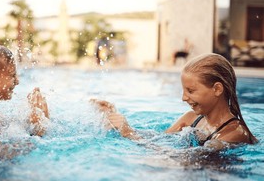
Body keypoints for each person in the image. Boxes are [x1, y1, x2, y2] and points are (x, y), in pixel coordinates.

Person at [92, 53, 257, 151]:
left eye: (191, 91)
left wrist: (129, 134)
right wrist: (116, 117)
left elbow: (176, 160)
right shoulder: (191, 118)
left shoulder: (233, 134)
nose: (184, 98)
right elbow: (158, 139)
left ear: (217, 89)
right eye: (184, 90)